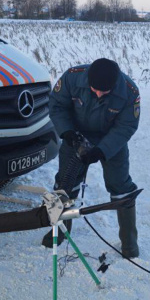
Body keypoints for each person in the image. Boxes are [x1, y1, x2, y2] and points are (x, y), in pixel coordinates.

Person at [42, 58, 142, 258]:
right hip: (76, 135)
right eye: (94, 89)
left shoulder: (129, 92)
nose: (98, 94)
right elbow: (57, 106)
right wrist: (67, 133)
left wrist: (102, 150)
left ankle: (129, 242)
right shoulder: (72, 77)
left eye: (104, 92)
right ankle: (59, 232)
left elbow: (126, 127)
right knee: (65, 183)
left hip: (111, 139)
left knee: (120, 185)